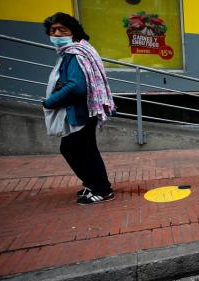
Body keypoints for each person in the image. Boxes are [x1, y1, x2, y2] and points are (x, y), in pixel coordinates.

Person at [43, 12, 116, 205]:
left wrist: (49, 102)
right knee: (78, 149)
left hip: (81, 111)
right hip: (88, 108)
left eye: (62, 29)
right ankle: (94, 184)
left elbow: (76, 86)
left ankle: (102, 189)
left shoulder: (74, 54)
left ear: (73, 33)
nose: (57, 34)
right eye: (53, 30)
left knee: (79, 150)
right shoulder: (81, 50)